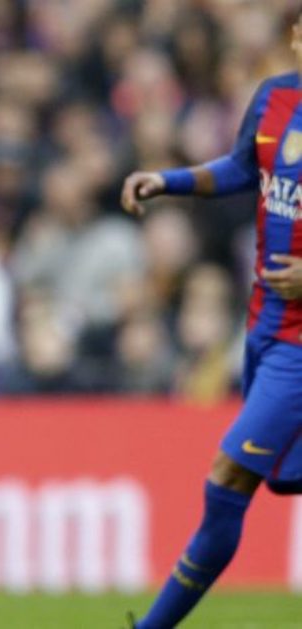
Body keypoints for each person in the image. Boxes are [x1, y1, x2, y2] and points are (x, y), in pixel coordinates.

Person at [119, 14, 302, 629]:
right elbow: (243, 168)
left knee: (228, 477)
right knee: (260, 480)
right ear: (294, 38)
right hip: (264, 324)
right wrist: (166, 181)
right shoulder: (275, 97)